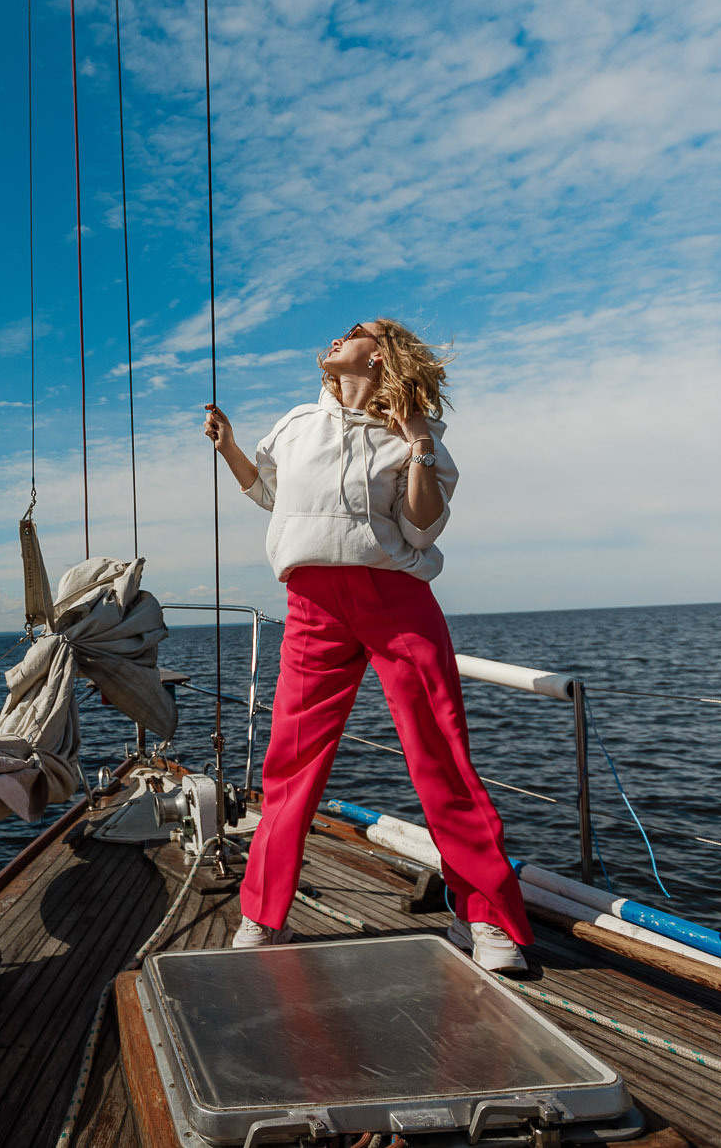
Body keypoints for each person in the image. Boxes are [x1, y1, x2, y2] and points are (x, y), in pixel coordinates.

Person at [202, 318, 533, 971]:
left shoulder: (416, 433)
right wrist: (230, 448)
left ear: (379, 356)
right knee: (291, 763)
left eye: (353, 330)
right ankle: (262, 917)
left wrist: (418, 443)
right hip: (312, 605)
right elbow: (273, 495)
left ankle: (488, 919)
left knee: (439, 754)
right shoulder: (296, 425)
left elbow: (422, 525)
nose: (335, 337)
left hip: (394, 600)